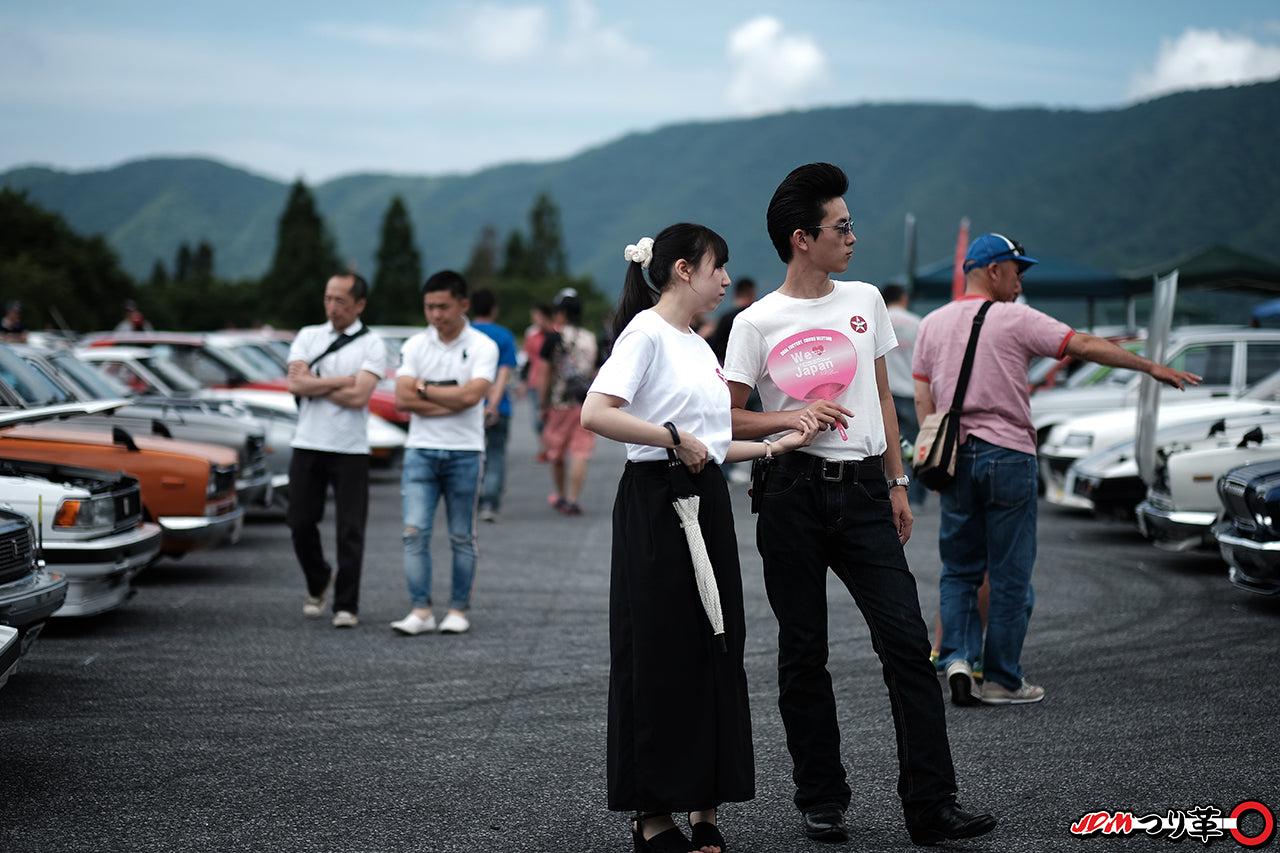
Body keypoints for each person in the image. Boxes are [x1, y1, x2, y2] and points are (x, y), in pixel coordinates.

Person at [722, 162, 996, 846]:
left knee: (907, 642)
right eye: (840, 227)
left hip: (867, 489)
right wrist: (792, 419)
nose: (853, 236)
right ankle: (821, 797)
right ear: (801, 239)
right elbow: (727, 419)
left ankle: (931, 806)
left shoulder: (866, 299)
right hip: (789, 494)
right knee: (803, 650)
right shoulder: (755, 322)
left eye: (850, 224)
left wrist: (899, 483)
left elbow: (881, 399)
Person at [580, 224, 818, 853]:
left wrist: (776, 442)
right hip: (655, 504)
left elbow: (709, 442)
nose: (724, 281)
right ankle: (652, 814)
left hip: (704, 498)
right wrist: (670, 437)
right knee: (657, 651)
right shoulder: (646, 333)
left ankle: (706, 804)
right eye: (718, 268)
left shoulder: (697, 343)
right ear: (683, 268)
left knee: (716, 644)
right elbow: (596, 412)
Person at [913, 233, 1202, 707]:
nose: (1020, 282)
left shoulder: (933, 324)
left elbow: (925, 399)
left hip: (953, 459)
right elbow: (1082, 345)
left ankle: (959, 658)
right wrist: (1149, 367)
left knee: (959, 569)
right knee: (1007, 575)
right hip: (1007, 455)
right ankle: (1003, 679)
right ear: (993, 271)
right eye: (1016, 271)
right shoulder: (1016, 318)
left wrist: (934, 446)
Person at [391, 270, 498, 637]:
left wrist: (423, 390)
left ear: (463, 304)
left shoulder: (483, 345)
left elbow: (473, 398)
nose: (435, 314)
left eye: (443, 306)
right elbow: (401, 400)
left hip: (465, 452)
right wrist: (452, 400)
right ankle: (420, 610)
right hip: (419, 451)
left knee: (460, 536)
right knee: (413, 532)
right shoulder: (415, 345)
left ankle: (457, 610)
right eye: (429, 307)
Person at [285, 272, 387, 628]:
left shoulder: (372, 343)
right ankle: (318, 579)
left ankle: (347, 604)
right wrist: (341, 381)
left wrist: (314, 384)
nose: (332, 306)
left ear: (359, 304)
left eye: (341, 300)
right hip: (308, 443)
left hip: (351, 449)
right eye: (328, 298)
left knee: (350, 529)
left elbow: (360, 396)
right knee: (299, 522)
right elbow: (294, 383)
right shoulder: (308, 335)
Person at [539, 288, 598, 516]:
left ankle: (561, 496)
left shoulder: (554, 337)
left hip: (559, 403)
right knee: (580, 451)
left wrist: (542, 404)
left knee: (557, 451)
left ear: (561, 313)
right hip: (584, 402)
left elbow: (545, 373)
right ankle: (573, 499)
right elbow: (595, 372)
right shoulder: (589, 338)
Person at [469, 288, 518, 523]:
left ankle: (471, 501)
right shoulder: (504, 336)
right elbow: (504, 373)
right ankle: (489, 504)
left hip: (467, 405)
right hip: (500, 407)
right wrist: (494, 404)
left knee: (472, 454)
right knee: (496, 455)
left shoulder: (465, 334)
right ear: (494, 309)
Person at [881, 284, 928, 506]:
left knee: (886, 446)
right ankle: (916, 498)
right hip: (910, 393)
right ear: (904, 297)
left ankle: (884, 494)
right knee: (913, 448)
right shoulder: (917, 323)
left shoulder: (878, 321)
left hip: (885, 394)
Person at [522, 302, 554, 448]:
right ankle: (545, 448)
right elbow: (526, 359)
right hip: (535, 380)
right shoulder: (531, 334)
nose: (534, 319)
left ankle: (552, 447)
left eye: (537, 316)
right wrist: (523, 381)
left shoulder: (557, 333)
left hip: (554, 381)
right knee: (537, 418)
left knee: (552, 415)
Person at [706, 277, 756, 365]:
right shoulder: (756, 316)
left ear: (734, 295)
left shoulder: (726, 318)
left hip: (728, 366)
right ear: (752, 294)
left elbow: (716, 346)